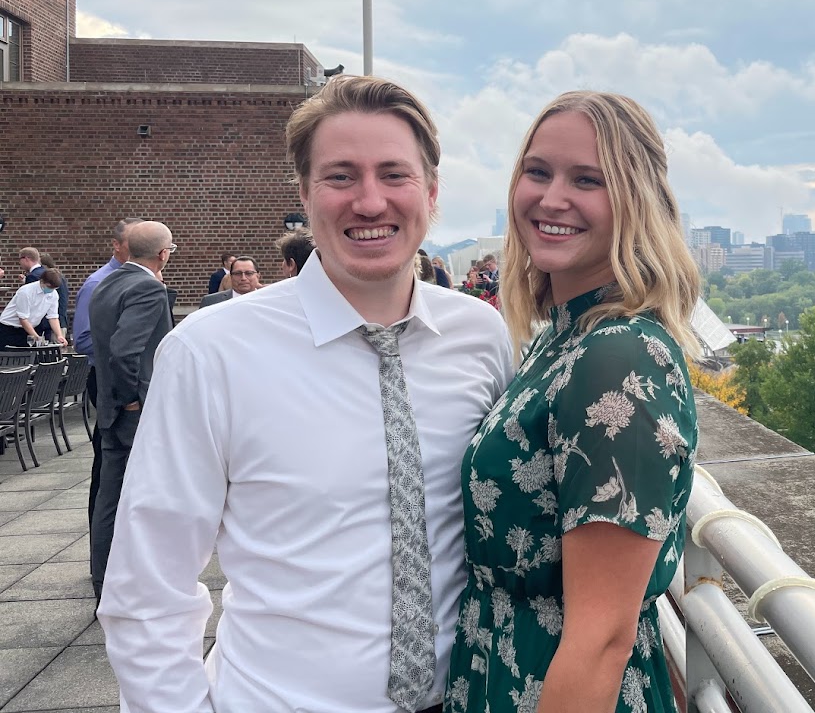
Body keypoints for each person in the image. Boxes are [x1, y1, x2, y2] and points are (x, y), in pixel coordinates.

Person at [99, 75, 514, 713]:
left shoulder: (480, 336)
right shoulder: (211, 351)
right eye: (341, 176)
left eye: (394, 175)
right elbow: (148, 583)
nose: (369, 201)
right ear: (304, 192)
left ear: (431, 192)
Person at [445, 91, 700, 713]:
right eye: (538, 172)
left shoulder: (618, 359)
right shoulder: (562, 338)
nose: (551, 198)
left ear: (637, 201)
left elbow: (602, 637)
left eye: (587, 180)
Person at [88, 221, 176, 601]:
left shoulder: (106, 283)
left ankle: (105, 582)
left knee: (109, 499)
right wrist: (131, 400)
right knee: (140, 499)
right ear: (163, 254)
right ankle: (126, 586)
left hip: (110, 408)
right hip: (132, 412)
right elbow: (125, 351)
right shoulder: (148, 287)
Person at [72, 217, 143, 532]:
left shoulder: (143, 279)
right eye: (133, 243)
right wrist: (124, 349)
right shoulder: (98, 283)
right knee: (108, 463)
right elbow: (83, 339)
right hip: (109, 380)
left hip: (132, 379)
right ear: (116, 245)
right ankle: (101, 539)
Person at [0, 269, 67, 348]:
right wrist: (36, 337)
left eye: (54, 288)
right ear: (42, 281)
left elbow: (53, 317)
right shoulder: (26, 292)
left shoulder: (53, 294)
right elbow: (23, 319)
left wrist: (59, 335)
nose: (51, 290)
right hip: (9, 328)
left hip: (30, 328)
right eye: (49, 287)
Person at [36, 252, 70, 339]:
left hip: (56, 322)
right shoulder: (56, 277)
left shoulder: (54, 278)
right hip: (57, 321)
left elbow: (62, 300)